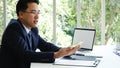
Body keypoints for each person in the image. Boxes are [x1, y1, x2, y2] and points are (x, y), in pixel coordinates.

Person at [0, 0, 80, 68]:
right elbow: (25, 55)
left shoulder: (33, 29)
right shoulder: (13, 29)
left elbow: (45, 45)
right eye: (33, 12)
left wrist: (65, 50)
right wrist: (56, 55)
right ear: (21, 14)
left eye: (38, 12)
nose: (37, 16)